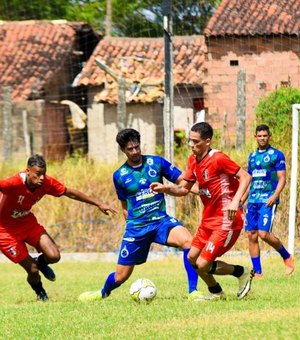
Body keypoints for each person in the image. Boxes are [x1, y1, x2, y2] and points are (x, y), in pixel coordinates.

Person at [79, 128, 201, 302]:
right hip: (137, 228)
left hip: (160, 221)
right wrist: (131, 224)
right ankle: (102, 293)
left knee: (188, 241)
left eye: (137, 147)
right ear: (123, 150)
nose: (135, 151)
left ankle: (193, 292)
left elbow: (184, 182)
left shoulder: (157, 162)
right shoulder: (119, 176)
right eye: (130, 149)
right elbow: (124, 204)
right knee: (121, 277)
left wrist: (202, 191)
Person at [150, 122, 254, 301]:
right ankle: (216, 292)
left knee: (202, 264)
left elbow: (245, 176)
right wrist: (165, 188)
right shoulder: (193, 160)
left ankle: (241, 272)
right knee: (191, 258)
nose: (191, 145)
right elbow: (184, 190)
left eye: (196, 142)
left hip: (226, 220)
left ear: (207, 141)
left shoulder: (218, 158)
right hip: (208, 220)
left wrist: (235, 202)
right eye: (190, 141)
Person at [0, 154, 117, 302]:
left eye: (44, 173)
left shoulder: (46, 183)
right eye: (37, 174)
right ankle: (41, 293)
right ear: (28, 171)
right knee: (32, 270)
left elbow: (70, 193)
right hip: (5, 233)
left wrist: (99, 203)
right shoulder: (13, 183)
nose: (41, 178)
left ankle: (41, 263)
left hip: (27, 224)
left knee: (54, 256)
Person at [244, 124, 294, 277]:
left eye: (265, 135)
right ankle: (258, 272)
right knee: (251, 235)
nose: (262, 138)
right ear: (255, 137)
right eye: (259, 136)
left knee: (263, 233)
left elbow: (282, 178)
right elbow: (249, 180)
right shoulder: (252, 156)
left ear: (269, 136)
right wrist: (242, 199)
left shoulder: (276, 155)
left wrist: (274, 196)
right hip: (253, 200)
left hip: (267, 199)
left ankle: (286, 256)